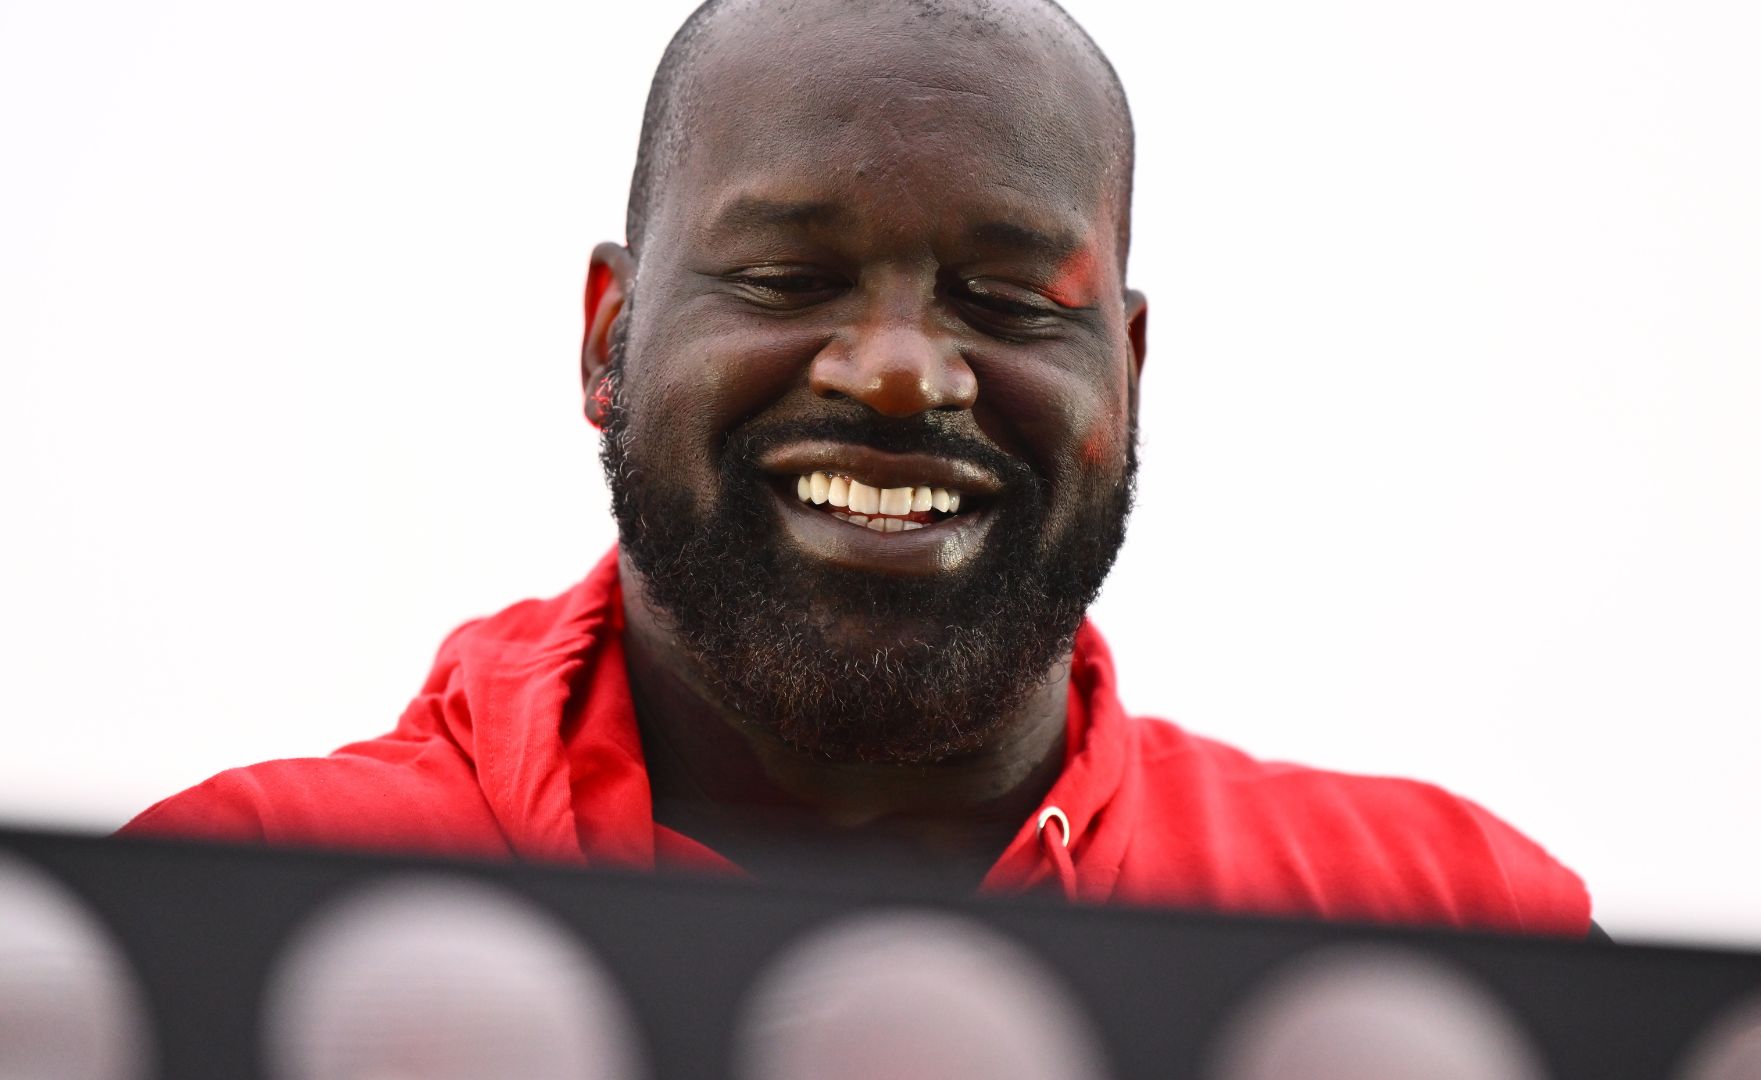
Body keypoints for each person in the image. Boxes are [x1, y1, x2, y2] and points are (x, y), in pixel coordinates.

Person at [124, 0, 1591, 935]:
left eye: (1013, 302)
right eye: (784, 275)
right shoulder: (221, 902)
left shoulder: (1447, 931)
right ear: (608, 340)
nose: (898, 373)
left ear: (1127, 376)